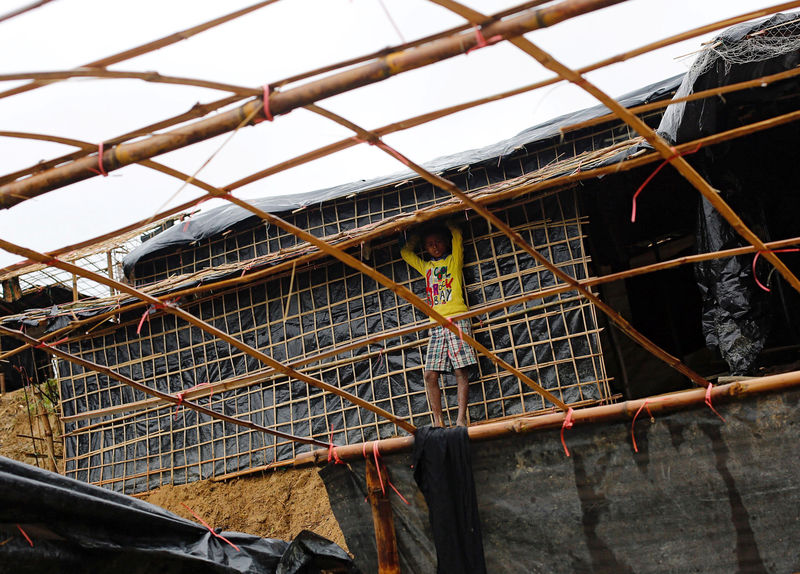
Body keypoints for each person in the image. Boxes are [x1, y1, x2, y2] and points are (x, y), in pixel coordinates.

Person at [401, 220, 477, 427]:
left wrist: (447, 222)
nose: (434, 247)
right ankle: (438, 421)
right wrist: (416, 235)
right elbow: (406, 254)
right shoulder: (426, 268)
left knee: (460, 371)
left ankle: (461, 419)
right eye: (430, 244)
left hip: (457, 319)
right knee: (429, 375)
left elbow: (458, 236)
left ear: (445, 242)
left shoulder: (453, 261)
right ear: (425, 248)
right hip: (436, 325)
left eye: (438, 242)